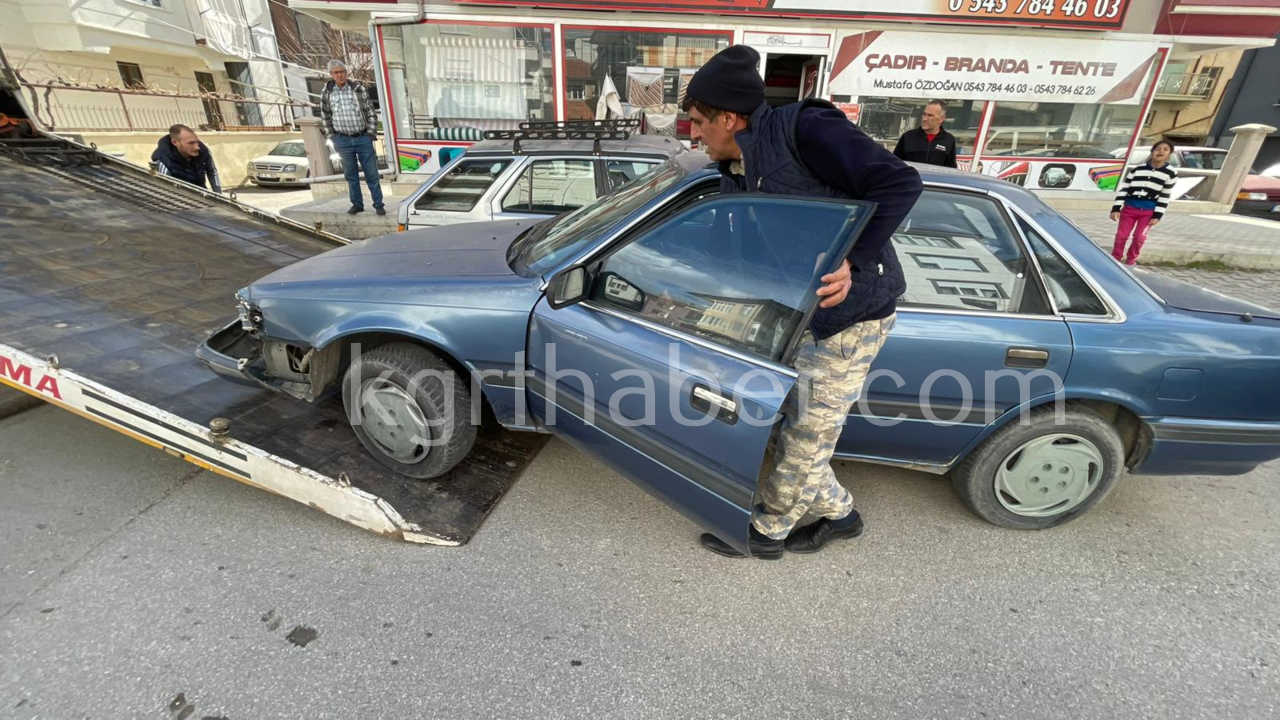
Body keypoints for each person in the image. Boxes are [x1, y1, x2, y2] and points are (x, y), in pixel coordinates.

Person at [683, 45, 923, 560]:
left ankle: (767, 533)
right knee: (784, 422)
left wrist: (852, 259)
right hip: (796, 315)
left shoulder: (804, 128)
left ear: (729, 117)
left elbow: (900, 182)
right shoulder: (739, 165)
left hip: (847, 319)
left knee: (805, 435)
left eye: (699, 121)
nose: (694, 132)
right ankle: (842, 514)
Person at [321, 59, 384, 216]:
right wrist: (332, 137)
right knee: (351, 175)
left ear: (346, 73)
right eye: (336, 73)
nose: (340, 75)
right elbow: (325, 115)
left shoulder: (357, 88)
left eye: (342, 72)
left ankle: (378, 204)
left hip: (362, 137)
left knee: (372, 173)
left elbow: (370, 111)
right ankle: (357, 204)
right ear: (331, 75)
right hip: (342, 140)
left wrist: (370, 133)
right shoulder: (327, 92)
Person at [1110, 140, 1177, 266]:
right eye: (1158, 148)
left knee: (1139, 238)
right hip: (1129, 209)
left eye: (1165, 149)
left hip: (1148, 212)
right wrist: (1116, 208)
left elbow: (1165, 195)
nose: (1161, 151)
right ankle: (1115, 259)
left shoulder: (1171, 173)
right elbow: (1124, 189)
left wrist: (1157, 216)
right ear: (1152, 152)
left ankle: (1131, 261)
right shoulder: (1137, 170)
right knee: (1121, 236)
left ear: (1169, 154)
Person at [151, 124, 221, 193]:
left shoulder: (203, 151)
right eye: (191, 143)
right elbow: (168, 189)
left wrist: (218, 194)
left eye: (197, 142)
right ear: (175, 142)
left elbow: (212, 172)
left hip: (201, 193)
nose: (197, 147)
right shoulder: (163, 160)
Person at [892, 100, 957, 168]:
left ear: (941, 119)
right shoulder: (908, 137)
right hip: (911, 178)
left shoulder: (949, 140)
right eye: (924, 114)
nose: (924, 119)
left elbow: (951, 169)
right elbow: (894, 164)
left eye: (930, 115)